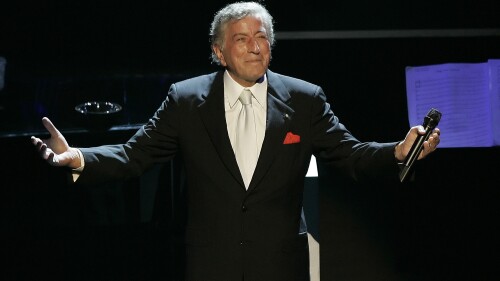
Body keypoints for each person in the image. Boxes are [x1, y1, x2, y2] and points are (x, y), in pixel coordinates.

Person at [31, 2, 441, 281]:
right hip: (212, 264)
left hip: (280, 264)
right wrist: (79, 157)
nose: (254, 46)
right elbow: (134, 155)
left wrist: (398, 152)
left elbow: (350, 155)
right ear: (219, 51)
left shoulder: (304, 98)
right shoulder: (186, 99)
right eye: (241, 38)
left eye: (261, 37)